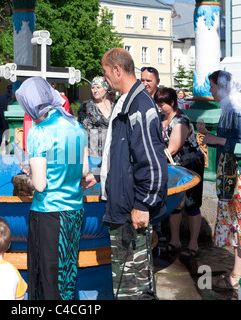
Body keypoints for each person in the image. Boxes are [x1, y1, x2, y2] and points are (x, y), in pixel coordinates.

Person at [82, 48, 168, 299]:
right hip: (123, 207)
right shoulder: (126, 101)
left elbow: (151, 161)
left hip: (132, 209)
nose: (104, 79)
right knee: (128, 282)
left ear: (118, 70)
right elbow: (118, 152)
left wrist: (143, 203)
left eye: (106, 73)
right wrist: (99, 175)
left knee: (133, 288)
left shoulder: (139, 105)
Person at [15, 77, 89, 300]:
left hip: (48, 215)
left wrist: (29, 177)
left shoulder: (40, 132)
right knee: (66, 276)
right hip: (74, 212)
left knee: (46, 280)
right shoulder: (75, 125)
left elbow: (39, 184)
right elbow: (84, 170)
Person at [196, 70, 241, 290]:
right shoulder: (231, 105)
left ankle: (236, 276)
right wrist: (209, 135)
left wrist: (216, 139)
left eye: (212, 85)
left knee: (240, 225)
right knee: (240, 224)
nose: (210, 90)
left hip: (238, 175)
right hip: (233, 172)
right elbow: (229, 139)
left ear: (221, 86)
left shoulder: (235, 107)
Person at [155, 87, 205, 257]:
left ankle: (193, 244)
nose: (159, 107)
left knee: (192, 204)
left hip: (190, 165)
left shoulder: (181, 121)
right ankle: (175, 241)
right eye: (158, 104)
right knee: (175, 203)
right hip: (173, 166)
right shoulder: (162, 119)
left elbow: (173, 148)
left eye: (162, 104)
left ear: (172, 102)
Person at [77, 76, 112, 157]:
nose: (95, 90)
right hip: (93, 154)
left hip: (110, 153)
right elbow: (81, 131)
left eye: (98, 87)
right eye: (93, 87)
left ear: (105, 88)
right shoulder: (86, 107)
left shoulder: (114, 106)